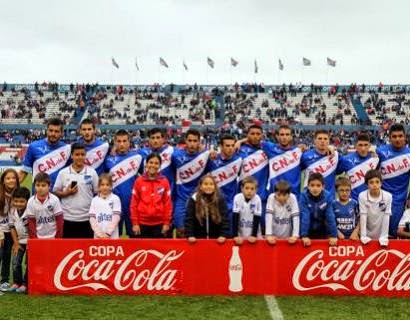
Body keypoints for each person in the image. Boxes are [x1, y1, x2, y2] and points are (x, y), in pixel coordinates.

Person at [104, 130, 145, 237]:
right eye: (119, 141)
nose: (121, 144)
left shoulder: (137, 157)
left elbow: (145, 177)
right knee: (113, 237)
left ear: (129, 142)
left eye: (124, 141)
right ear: (115, 142)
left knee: (135, 238)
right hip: (114, 205)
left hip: (133, 205)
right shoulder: (108, 159)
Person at [53, 143, 99, 238]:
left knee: (85, 250)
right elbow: (55, 192)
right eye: (77, 154)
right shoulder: (63, 173)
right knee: (68, 250)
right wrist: (66, 193)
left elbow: (98, 193)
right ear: (72, 156)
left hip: (87, 219)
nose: (80, 157)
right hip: (67, 219)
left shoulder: (92, 173)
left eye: (82, 154)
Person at [172, 129, 209, 237]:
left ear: (199, 142)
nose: (192, 144)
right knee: (180, 231)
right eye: (190, 140)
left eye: (195, 141)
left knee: (199, 234)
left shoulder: (205, 156)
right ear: (185, 141)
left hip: (199, 200)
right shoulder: (176, 155)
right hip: (181, 200)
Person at [376, 124, 410, 238]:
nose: (397, 139)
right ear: (389, 137)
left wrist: (409, 198)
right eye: (394, 136)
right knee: (378, 233)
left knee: (393, 233)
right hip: (380, 198)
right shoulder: (380, 152)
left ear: (405, 137)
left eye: (400, 136)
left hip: (399, 200)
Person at [19, 118, 70, 189]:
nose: (53, 134)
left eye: (56, 131)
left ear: (61, 133)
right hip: (38, 195)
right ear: (46, 131)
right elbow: (24, 172)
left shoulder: (67, 149)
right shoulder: (33, 146)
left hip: (59, 195)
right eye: (51, 130)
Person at [130, 153, 172, 238]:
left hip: (159, 224)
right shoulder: (139, 181)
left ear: (160, 166)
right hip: (142, 223)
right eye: (151, 162)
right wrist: (135, 223)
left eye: (156, 163)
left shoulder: (164, 181)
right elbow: (133, 204)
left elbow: (167, 204)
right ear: (146, 164)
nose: (153, 165)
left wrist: (166, 223)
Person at [207, 135, 242, 235]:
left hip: (231, 204)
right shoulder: (212, 159)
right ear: (221, 146)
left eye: (232, 145)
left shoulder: (239, 159)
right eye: (227, 145)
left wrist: (241, 140)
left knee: (230, 234)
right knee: (215, 235)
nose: (230, 148)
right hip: (214, 203)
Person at [184, 175, 230, 243]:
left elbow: (225, 219)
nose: (208, 186)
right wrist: (190, 235)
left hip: (217, 240)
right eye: (205, 184)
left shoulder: (220, 199)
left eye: (211, 184)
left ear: (215, 187)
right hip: (197, 240)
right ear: (200, 186)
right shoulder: (193, 199)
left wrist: (223, 235)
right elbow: (188, 219)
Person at [336, 132, 379, 202]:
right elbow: (334, 174)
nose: (363, 148)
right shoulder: (346, 159)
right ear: (355, 146)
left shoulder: (375, 158)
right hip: (353, 202)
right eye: (360, 145)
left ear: (369, 146)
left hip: (371, 202)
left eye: (366, 145)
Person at [299, 172, 338, 247]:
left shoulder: (328, 196)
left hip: (322, 231)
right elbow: (305, 216)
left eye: (318, 185)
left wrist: (334, 235)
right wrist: (304, 235)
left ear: (323, 187)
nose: (315, 188)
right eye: (312, 185)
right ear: (308, 186)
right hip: (307, 231)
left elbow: (330, 216)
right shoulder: (303, 196)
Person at [301, 130, 339, 197]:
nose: (322, 141)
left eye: (325, 139)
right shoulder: (305, 156)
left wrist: (333, 148)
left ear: (329, 141)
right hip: (309, 198)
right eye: (320, 138)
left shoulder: (336, 155)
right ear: (314, 140)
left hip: (328, 199)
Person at [359, 169, 391, 247]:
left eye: (377, 182)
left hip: (381, 233)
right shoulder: (362, 196)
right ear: (367, 185)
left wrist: (384, 237)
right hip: (367, 234)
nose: (374, 185)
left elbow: (386, 216)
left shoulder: (388, 196)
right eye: (371, 182)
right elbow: (363, 216)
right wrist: (363, 235)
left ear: (381, 183)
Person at [27, 173, 64, 239]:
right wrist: (34, 239)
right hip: (38, 238)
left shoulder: (55, 200)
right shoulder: (31, 201)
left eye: (43, 185)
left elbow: (59, 220)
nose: (40, 188)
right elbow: (31, 222)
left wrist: (58, 237)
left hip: (53, 237)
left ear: (49, 186)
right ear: (34, 186)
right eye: (37, 185)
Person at [0, 168, 20, 292]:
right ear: (3, 181)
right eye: (8, 178)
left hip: (12, 231)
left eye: (13, 178)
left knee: (7, 256)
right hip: (0, 231)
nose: (11, 180)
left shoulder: (19, 193)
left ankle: (5, 281)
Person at [8, 187, 30, 293]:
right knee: (15, 262)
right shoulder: (12, 211)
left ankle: (26, 284)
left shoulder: (31, 210)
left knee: (29, 263)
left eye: (22, 201)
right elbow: (11, 227)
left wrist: (32, 242)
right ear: (12, 200)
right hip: (19, 241)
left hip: (31, 241)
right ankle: (17, 282)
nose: (18, 203)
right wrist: (15, 243)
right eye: (16, 201)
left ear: (27, 201)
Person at [265, 180, 300, 245]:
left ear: (289, 194)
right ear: (275, 193)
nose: (281, 198)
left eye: (284, 195)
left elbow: (296, 217)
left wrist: (295, 235)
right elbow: (268, 217)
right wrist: (268, 235)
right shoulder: (271, 198)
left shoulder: (293, 198)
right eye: (278, 195)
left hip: (288, 238)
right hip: (273, 237)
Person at [89, 174, 121, 239]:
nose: (105, 187)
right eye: (102, 185)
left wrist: (107, 233)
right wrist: (100, 234)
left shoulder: (115, 198)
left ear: (111, 186)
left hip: (112, 236)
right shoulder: (94, 200)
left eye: (107, 185)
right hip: (98, 237)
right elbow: (92, 219)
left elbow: (116, 217)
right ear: (98, 186)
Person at [232, 177, 262, 245]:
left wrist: (254, 236)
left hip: (255, 235)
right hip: (240, 235)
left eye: (252, 189)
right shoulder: (237, 198)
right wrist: (235, 236)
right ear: (242, 188)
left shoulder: (257, 199)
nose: (249, 191)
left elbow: (257, 218)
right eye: (247, 188)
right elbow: (235, 218)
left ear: (256, 190)